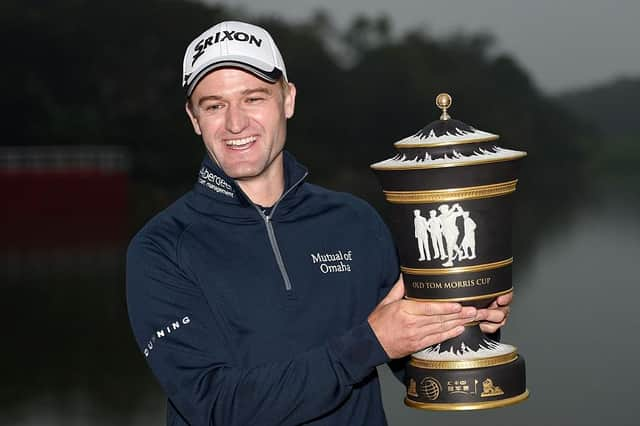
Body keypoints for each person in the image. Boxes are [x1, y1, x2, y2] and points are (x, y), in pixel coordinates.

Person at [126, 20, 512, 426]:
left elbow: (416, 368)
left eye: (253, 98)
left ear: (288, 99)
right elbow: (216, 406)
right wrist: (369, 343)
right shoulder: (161, 248)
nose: (235, 123)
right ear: (193, 118)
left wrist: (468, 325)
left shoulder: (355, 221)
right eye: (214, 105)